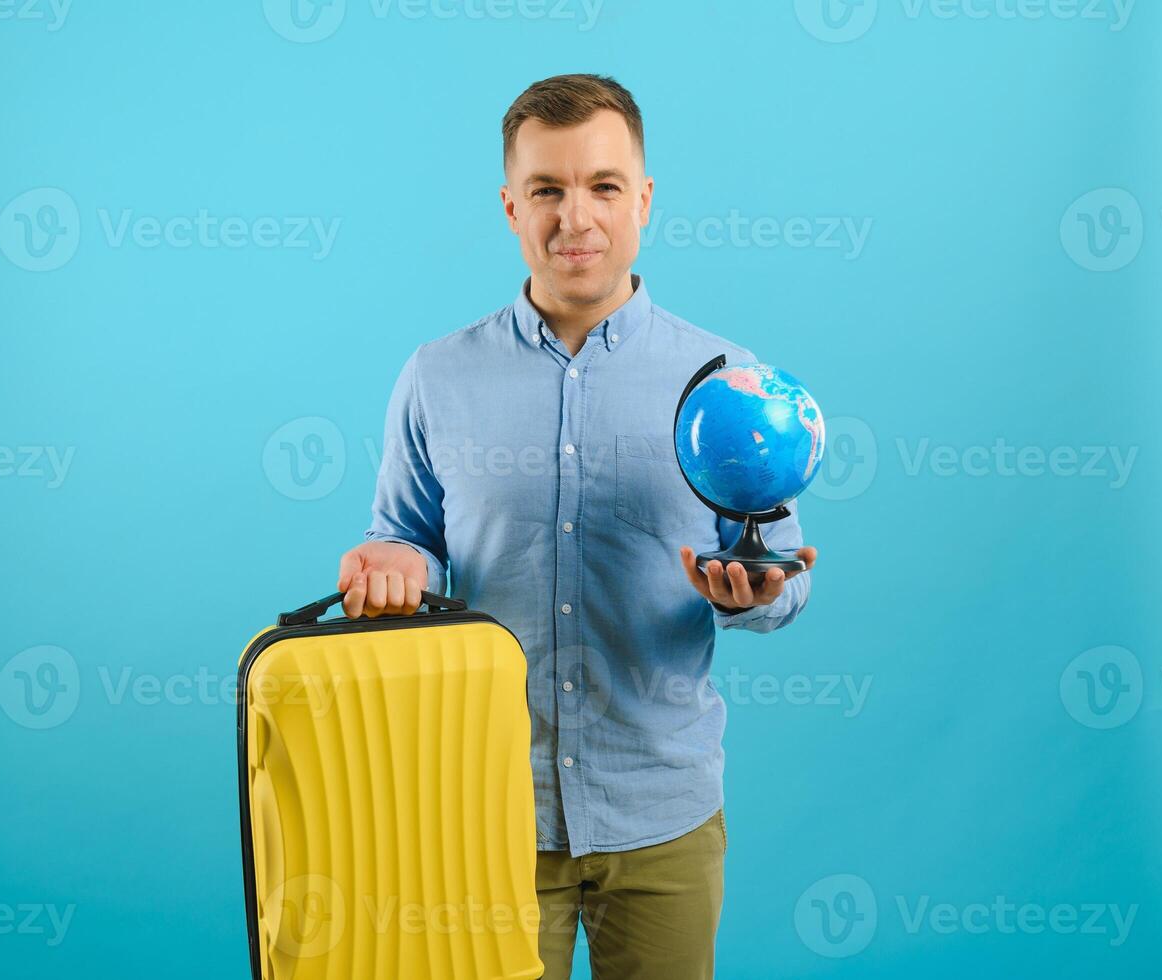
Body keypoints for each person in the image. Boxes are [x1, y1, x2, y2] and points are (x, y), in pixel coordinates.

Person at [336, 73, 817, 980]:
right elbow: (403, 535)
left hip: (663, 813)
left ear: (643, 200)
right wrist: (388, 563)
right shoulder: (436, 378)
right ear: (511, 205)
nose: (576, 217)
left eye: (602, 186)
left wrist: (758, 594)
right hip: (486, 817)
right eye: (548, 190)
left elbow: (784, 575)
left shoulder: (728, 384)